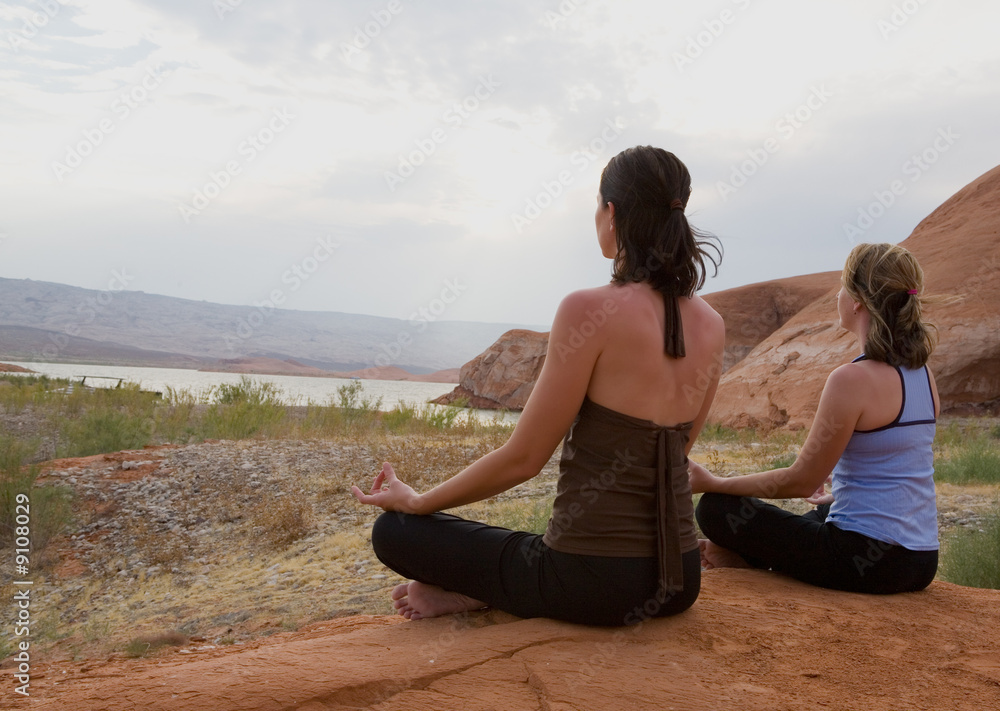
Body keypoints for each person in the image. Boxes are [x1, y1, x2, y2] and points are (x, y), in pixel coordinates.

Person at [352, 146, 724, 625]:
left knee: (395, 532)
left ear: (611, 212)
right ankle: (487, 589)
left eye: (597, 204)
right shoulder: (712, 324)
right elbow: (679, 456)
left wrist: (418, 500)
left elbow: (524, 459)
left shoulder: (589, 310)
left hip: (591, 583)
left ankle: (480, 591)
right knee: (522, 550)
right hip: (679, 581)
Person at [690, 242, 940, 594]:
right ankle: (743, 558)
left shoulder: (851, 379)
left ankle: (742, 555)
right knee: (822, 512)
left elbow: (800, 482)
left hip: (865, 562)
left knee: (717, 510)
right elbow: (897, 466)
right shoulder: (922, 376)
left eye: (843, 285)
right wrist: (846, 494)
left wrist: (712, 482)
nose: (838, 294)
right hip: (921, 560)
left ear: (857, 301)